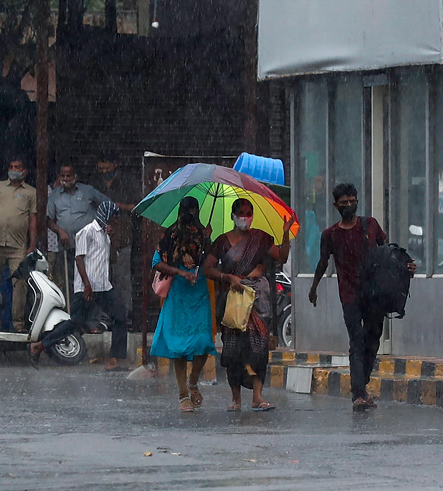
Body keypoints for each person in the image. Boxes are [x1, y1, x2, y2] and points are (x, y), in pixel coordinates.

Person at [308, 183, 414, 412]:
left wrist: (406, 267)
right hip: (349, 296)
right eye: (344, 203)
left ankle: (361, 387)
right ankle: (358, 394)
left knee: (373, 339)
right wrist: (313, 287)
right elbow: (323, 262)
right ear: (335, 206)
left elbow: (388, 254)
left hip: (375, 294)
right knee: (356, 342)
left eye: (352, 201)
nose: (349, 205)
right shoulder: (330, 235)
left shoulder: (370, 225)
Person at [203, 199, 293, 412]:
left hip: (256, 300)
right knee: (233, 350)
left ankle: (257, 396)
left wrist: (285, 234)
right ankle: (236, 398)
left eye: (248, 213)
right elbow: (207, 269)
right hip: (233, 300)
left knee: (259, 348)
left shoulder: (261, 238)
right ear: (233, 216)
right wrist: (227, 277)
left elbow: (281, 255)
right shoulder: (222, 242)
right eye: (241, 213)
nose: (245, 217)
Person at [29, 202, 127, 371]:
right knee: (76, 321)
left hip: (103, 286)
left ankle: (113, 360)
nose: (117, 222)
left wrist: (112, 238)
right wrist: (86, 284)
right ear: (106, 215)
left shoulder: (105, 235)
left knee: (120, 317)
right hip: (87, 287)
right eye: (114, 218)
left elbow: (112, 259)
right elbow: (79, 259)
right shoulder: (87, 232)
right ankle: (41, 345)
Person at [150, 197, 217, 412]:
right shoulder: (170, 235)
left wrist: (208, 241)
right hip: (179, 293)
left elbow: (210, 262)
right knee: (178, 346)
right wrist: (181, 272)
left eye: (193, 210)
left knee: (204, 341)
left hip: (199, 293)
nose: (190, 214)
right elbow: (157, 262)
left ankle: (193, 382)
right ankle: (182, 394)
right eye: (187, 210)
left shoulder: (203, 235)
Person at [0, 156, 37, 332]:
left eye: (17, 166)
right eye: (11, 166)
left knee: (20, 285)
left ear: (24, 171)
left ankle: (18, 323)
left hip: (18, 246)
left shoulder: (31, 192)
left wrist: (32, 244)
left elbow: (33, 220)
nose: (13, 169)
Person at [47, 164, 111, 305]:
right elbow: (49, 221)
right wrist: (60, 230)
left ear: (75, 176)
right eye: (62, 176)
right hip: (68, 246)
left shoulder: (88, 191)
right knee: (71, 282)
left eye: (69, 175)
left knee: (91, 281)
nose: (65, 179)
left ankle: (92, 320)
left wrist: (104, 225)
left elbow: (108, 205)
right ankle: (74, 316)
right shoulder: (55, 196)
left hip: (90, 247)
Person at [89, 151, 141, 317]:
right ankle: (104, 315)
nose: (104, 171)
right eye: (101, 168)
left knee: (122, 278)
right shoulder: (95, 183)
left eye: (107, 167)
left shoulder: (128, 182)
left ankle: (125, 314)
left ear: (116, 164)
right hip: (99, 239)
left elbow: (138, 207)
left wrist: (117, 206)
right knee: (101, 278)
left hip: (122, 237)